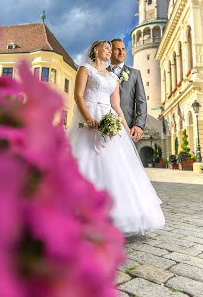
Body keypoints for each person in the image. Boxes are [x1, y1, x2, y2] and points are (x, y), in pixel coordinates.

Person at [67, 40, 165, 236]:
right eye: (107, 48)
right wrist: (89, 119)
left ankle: (118, 216)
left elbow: (117, 107)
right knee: (85, 161)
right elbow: (78, 96)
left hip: (109, 120)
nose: (110, 52)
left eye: (111, 49)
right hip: (90, 117)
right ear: (96, 50)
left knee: (116, 167)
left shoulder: (113, 77)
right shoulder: (85, 69)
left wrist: (126, 129)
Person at [107, 39, 147, 143]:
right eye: (117, 49)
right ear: (110, 52)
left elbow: (141, 102)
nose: (121, 52)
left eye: (123, 49)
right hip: (105, 127)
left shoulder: (135, 74)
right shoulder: (102, 73)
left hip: (129, 129)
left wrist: (139, 125)